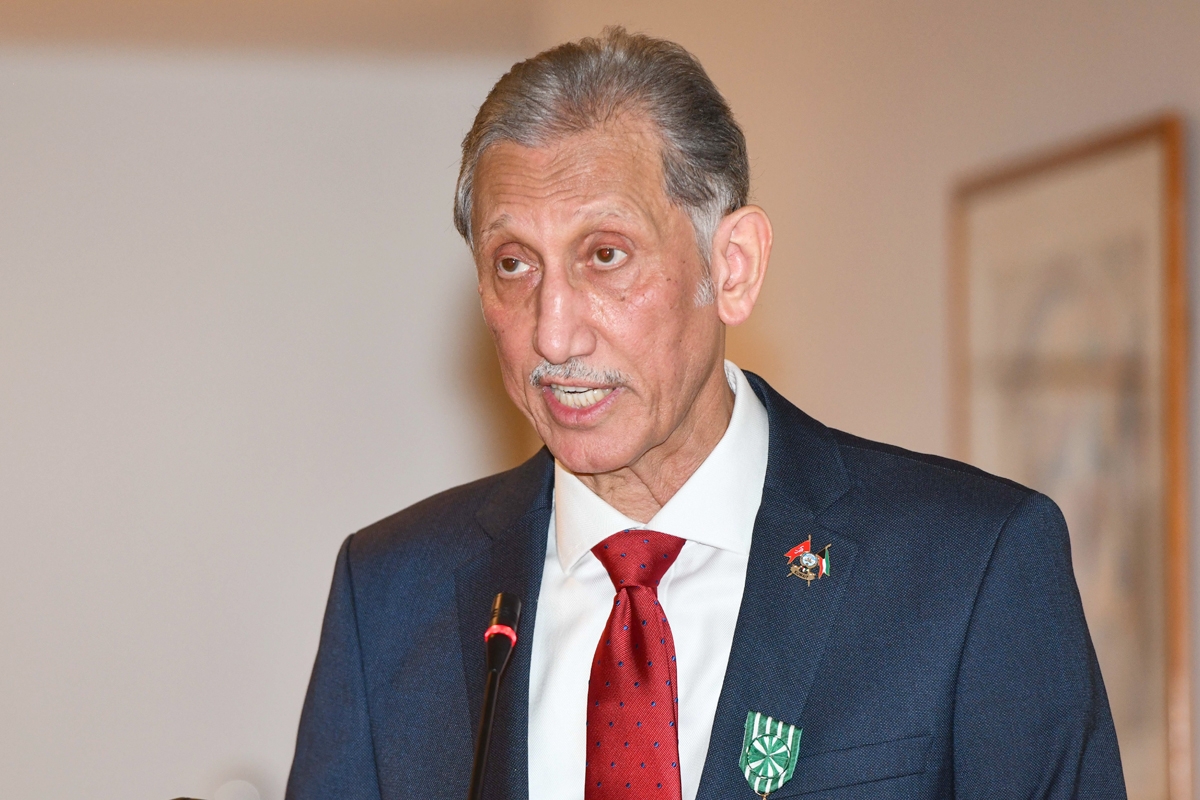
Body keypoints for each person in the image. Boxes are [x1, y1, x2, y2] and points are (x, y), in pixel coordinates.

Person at [286, 28, 1125, 800]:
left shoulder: (969, 567)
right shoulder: (391, 598)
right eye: (514, 265)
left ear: (733, 267)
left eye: (604, 255)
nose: (553, 332)